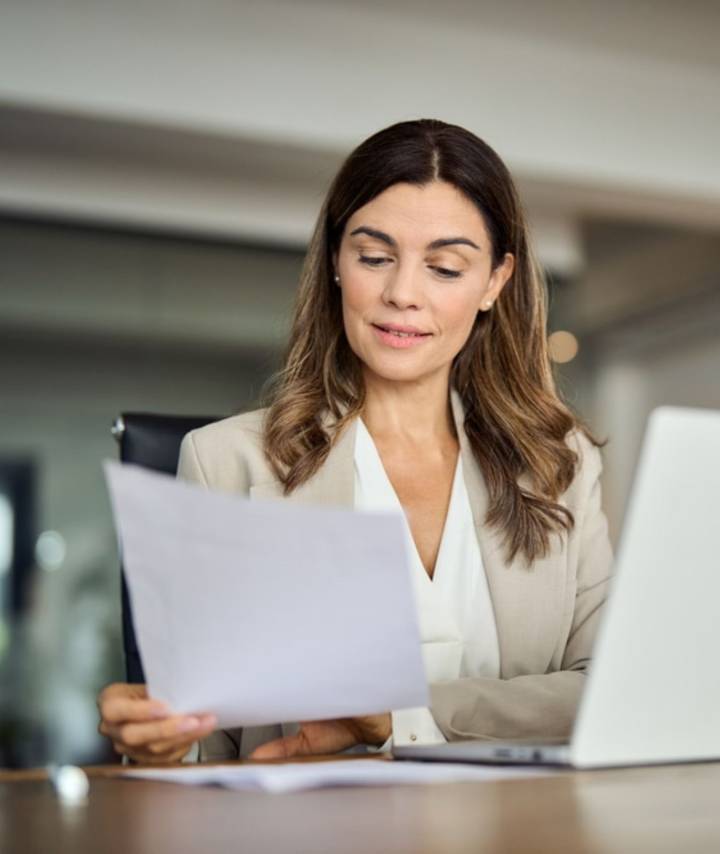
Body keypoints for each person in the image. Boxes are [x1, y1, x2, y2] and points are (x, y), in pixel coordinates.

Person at [97, 118, 614, 763]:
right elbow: (207, 750)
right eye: (374, 257)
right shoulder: (225, 460)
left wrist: (401, 716)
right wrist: (155, 748)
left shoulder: (560, 465)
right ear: (337, 263)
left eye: (445, 268)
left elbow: (605, 695)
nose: (402, 294)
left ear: (495, 283)